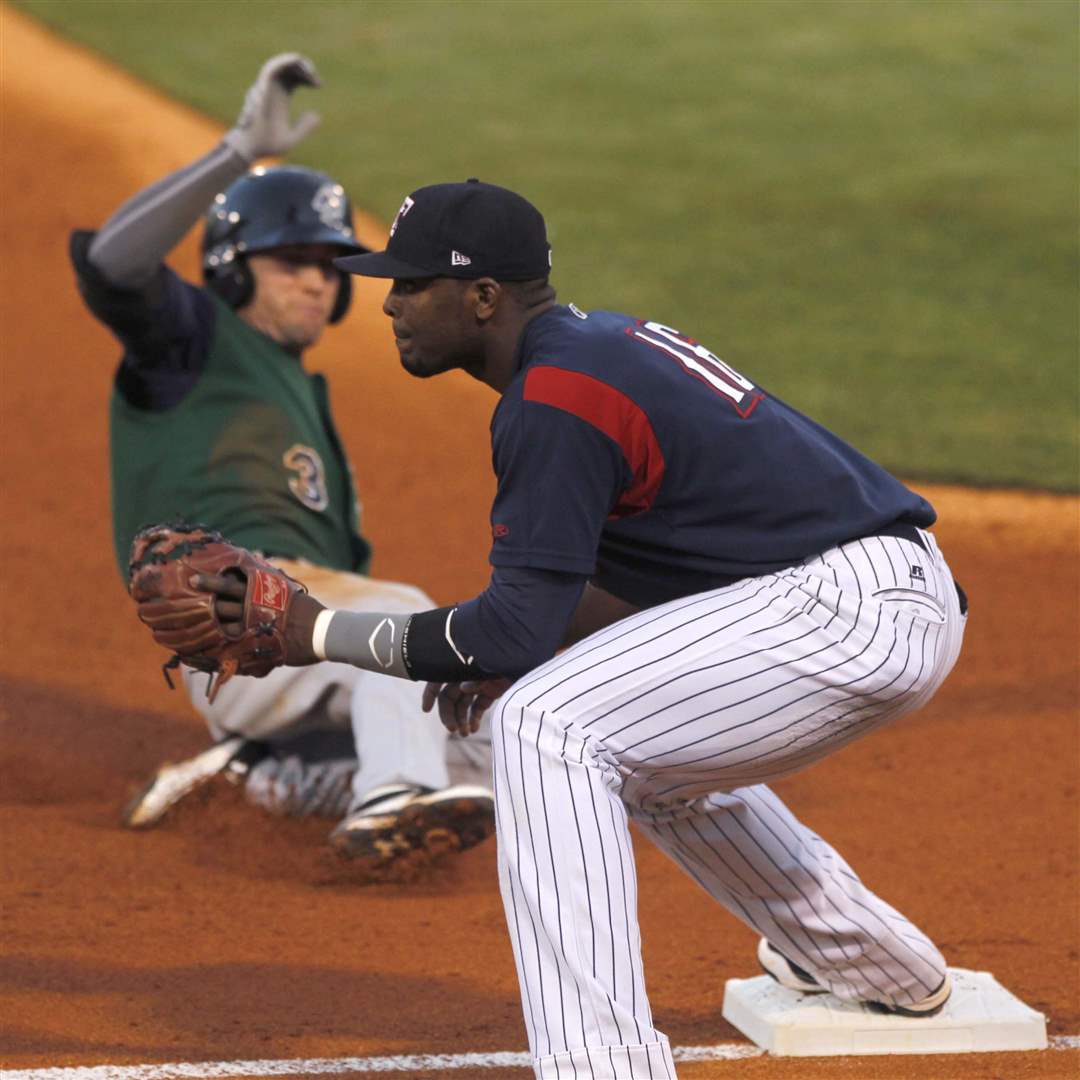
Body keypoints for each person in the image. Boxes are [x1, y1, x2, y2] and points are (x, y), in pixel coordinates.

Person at [171, 178, 969, 1078]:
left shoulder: (556, 393)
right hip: (860, 598)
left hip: (838, 608)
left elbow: (508, 631)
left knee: (548, 726)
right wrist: (527, 641)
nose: (388, 301)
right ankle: (876, 967)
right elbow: (570, 598)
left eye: (413, 283)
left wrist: (317, 632)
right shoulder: (591, 355)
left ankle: (602, 1066)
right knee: (642, 759)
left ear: (482, 298)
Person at [69, 54, 494, 874]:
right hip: (233, 611)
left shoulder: (303, 392)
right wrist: (236, 151)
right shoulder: (193, 342)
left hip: (291, 656)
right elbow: (110, 265)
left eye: (327, 265)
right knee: (404, 624)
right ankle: (385, 799)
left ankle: (264, 776)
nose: (314, 279)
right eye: (290, 259)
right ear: (234, 265)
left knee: (496, 764)